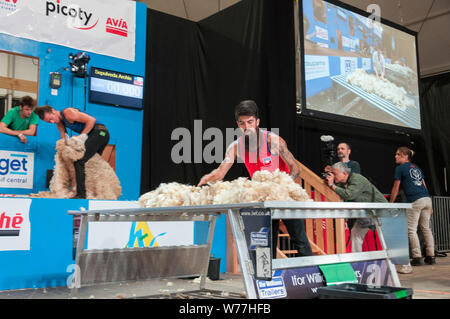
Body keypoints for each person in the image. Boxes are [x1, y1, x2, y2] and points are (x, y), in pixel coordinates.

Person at [197, 100, 312, 258]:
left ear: (257, 121)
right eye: (242, 123)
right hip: (262, 199)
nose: (247, 127)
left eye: (250, 122)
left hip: (284, 195)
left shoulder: (273, 140)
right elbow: (221, 172)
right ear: (238, 124)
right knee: (265, 242)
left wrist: (283, 186)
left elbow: (295, 168)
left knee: (298, 238)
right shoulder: (235, 146)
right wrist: (209, 177)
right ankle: (267, 279)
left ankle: (308, 276)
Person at [34, 105, 109, 199]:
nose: (52, 122)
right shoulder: (59, 123)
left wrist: (82, 136)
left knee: (79, 161)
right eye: (49, 122)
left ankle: (81, 195)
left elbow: (91, 120)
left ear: (53, 111)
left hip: (100, 133)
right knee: (90, 164)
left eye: (51, 119)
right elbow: (63, 139)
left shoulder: (68, 113)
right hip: (95, 135)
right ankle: (96, 193)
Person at [325, 162, 387, 253]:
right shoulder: (343, 183)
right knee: (356, 233)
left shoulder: (357, 179)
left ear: (344, 173)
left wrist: (332, 185)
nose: (334, 176)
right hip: (368, 212)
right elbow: (338, 191)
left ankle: (405, 264)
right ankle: (357, 261)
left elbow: (349, 195)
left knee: (389, 238)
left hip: (381, 210)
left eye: (335, 174)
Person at [389, 147, 435, 269]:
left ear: (405, 156)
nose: (395, 156)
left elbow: (396, 187)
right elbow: (424, 184)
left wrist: (390, 203)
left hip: (415, 200)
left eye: (398, 154)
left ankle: (417, 257)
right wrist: (429, 202)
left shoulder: (400, 168)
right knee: (426, 228)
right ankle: (431, 256)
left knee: (411, 230)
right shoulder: (416, 167)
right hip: (426, 199)